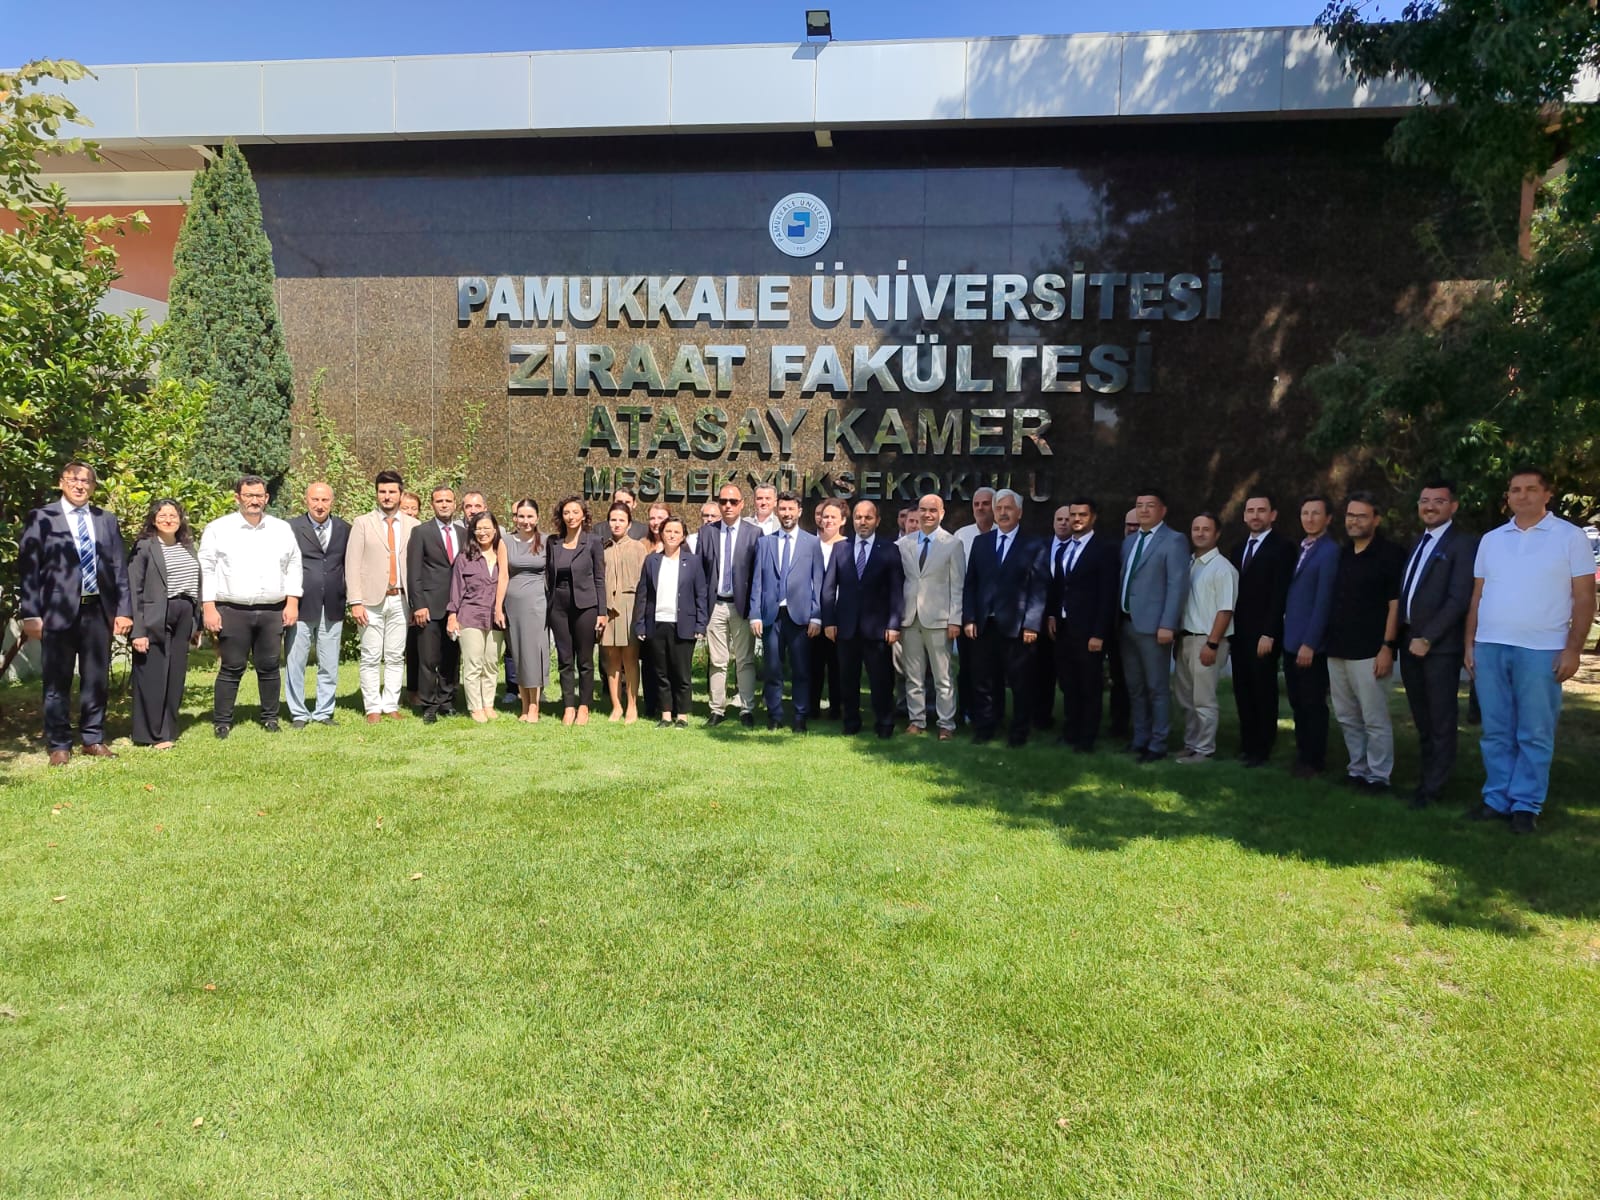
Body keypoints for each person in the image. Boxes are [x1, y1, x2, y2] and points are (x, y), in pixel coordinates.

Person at [1464, 467, 1596, 833]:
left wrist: (1573, 650)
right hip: (1490, 646)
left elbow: (1585, 598)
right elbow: (1477, 596)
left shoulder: (1570, 537)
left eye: (1531, 489)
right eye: (1515, 490)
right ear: (1507, 496)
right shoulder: (1491, 539)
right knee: (1495, 730)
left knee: (1534, 732)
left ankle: (1525, 804)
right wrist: (1469, 644)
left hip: (1543, 649)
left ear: (1547, 494)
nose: (1522, 495)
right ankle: (1496, 798)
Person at [16, 461, 133, 765]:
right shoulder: (42, 517)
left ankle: (93, 738)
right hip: (57, 612)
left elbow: (118, 567)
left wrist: (124, 610)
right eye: (74, 479)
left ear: (93, 487)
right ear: (61, 482)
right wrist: (30, 613)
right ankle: (59, 744)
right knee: (57, 681)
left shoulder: (106, 520)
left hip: (98, 611)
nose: (80, 485)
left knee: (96, 679)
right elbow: (29, 569)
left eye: (86, 481)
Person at [200, 474, 302, 738]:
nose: (254, 501)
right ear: (238, 498)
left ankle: (270, 718)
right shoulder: (218, 528)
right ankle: (222, 721)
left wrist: (292, 601)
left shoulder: (281, 529)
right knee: (232, 666)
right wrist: (208, 606)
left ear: (266, 498)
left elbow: (294, 564)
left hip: (272, 609)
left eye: (259, 496)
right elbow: (206, 569)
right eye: (249, 495)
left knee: (269, 666)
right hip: (233, 609)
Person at [1397, 479, 1477, 808]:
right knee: (1422, 719)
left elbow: (1459, 599)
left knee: (1441, 720)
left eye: (1439, 501)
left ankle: (1433, 789)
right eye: (1425, 501)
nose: (1430, 506)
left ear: (1453, 506)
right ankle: (1426, 777)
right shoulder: (1419, 541)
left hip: (1438, 648)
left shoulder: (1462, 544)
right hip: (1409, 644)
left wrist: (1428, 637)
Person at [1325, 492, 1404, 792]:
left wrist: (1387, 646)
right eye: (1350, 515)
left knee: (1374, 717)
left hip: (1371, 650)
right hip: (1337, 648)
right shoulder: (1343, 553)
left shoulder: (1390, 555)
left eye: (1361, 516)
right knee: (1346, 716)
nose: (1354, 521)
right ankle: (1357, 769)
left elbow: (1395, 606)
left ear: (1376, 519)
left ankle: (1379, 775)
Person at [961, 489, 1049, 746]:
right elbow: (971, 584)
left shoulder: (1033, 544)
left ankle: (1019, 732)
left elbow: (1039, 587)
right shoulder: (982, 543)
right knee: (983, 680)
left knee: (1020, 683)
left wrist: (1032, 623)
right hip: (984, 625)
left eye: (1008, 508)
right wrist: (969, 618)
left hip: (1017, 626)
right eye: (999, 508)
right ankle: (985, 728)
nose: (1002, 513)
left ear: (1019, 512)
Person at [1117, 488, 1190, 762]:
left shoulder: (1174, 541)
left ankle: (1158, 743)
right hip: (1127, 624)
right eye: (1139, 505)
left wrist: (1168, 624)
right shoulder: (1129, 542)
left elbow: (1177, 585)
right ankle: (1140, 738)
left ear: (1163, 510)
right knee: (1135, 687)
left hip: (1154, 627)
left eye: (1150, 505)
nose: (1144, 510)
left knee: (1156, 688)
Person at [823, 500, 905, 738]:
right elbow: (829, 589)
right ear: (853, 521)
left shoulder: (889, 549)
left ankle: (884, 724)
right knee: (847, 679)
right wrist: (829, 621)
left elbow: (896, 590)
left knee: (881, 680)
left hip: (877, 629)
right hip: (846, 627)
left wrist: (894, 624)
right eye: (858, 517)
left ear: (877, 521)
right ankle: (851, 723)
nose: (863, 522)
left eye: (868, 517)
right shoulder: (841, 548)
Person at [1045, 496, 1120, 753]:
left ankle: (1087, 738)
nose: (1076, 519)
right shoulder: (1064, 549)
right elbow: (1059, 588)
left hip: (1089, 631)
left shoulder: (1104, 550)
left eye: (1082, 515)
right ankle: (1070, 731)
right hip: (1064, 629)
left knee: (1089, 685)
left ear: (1093, 518)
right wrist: (1053, 615)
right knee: (1069, 684)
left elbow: (1107, 595)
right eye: (1073, 515)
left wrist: (1099, 633)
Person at [1226, 493, 1296, 768]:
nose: (1255, 515)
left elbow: (1280, 594)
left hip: (1264, 634)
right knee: (1242, 690)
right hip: (1239, 633)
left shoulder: (1283, 548)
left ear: (1273, 515)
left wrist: (1270, 633)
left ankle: (1262, 748)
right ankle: (1247, 744)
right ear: (1244, 516)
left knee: (1263, 691)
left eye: (1261, 510)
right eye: (1250, 510)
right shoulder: (1237, 548)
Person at [127, 499, 200, 749]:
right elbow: (134, 589)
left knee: (175, 674)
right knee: (153, 674)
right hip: (155, 616)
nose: (168, 520)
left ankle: (168, 730)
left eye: (173, 515)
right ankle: (150, 733)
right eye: (162, 515)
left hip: (184, 614)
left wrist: (196, 623)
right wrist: (138, 630)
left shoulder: (187, 545)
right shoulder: (145, 546)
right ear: (153, 519)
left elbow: (195, 584)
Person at [346, 471, 417, 724]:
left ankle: (390, 704)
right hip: (370, 601)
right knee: (371, 655)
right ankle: (372, 707)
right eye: (382, 492)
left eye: (392, 492)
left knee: (396, 655)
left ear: (400, 494)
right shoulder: (362, 523)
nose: (387, 496)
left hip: (401, 599)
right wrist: (355, 601)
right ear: (376, 494)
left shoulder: (413, 525)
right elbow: (352, 564)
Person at [750, 490, 824, 731]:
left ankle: (800, 715)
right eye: (782, 509)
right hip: (772, 616)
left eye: (791, 509)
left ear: (799, 512)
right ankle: (775, 715)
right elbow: (757, 581)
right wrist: (755, 614)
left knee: (801, 669)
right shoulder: (765, 542)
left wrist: (816, 616)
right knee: (772, 669)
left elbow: (818, 582)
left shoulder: (812, 543)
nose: (787, 513)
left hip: (800, 617)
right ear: (777, 511)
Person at [1281, 495, 1341, 778]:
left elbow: (1324, 601)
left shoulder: (1330, 552)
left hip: (1309, 645)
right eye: (1305, 513)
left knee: (1312, 704)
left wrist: (1310, 643)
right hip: (1291, 640)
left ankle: (1314, 760)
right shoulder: (1302, 548)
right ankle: (1302, 754)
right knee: (1297, 703)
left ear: (1328, 518)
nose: (1309, 518)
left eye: (1316, 513)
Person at [1173, 512, 1238, 764]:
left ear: (1217, 534)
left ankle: (1205, 749)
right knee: (1186, 698)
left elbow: (1225, 610)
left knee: (1203, 699)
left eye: (1206, 529)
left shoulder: (1223, 568)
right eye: (1196, 528)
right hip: (1186, 639)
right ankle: (1191, 744)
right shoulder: (1189, 564)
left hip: (1207, 641)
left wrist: (1212, 643)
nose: (1200, 533)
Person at [898, 494, 964, 741]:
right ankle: (917, 721)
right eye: (923, 510)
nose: (927, 514)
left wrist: (955, 619)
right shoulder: (904, 544)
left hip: (940, 619)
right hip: (909, 617)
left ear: (941, 513)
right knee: (913, 675)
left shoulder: (953, 544)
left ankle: (946, 724)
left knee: (943, 677)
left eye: (932, 510)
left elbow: (957, 585)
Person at [285, 482, 349, 729]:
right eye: (315, 500)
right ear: (306, 500)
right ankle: (299, 713)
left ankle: (324, 711)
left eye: (325, 500)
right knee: (296, 661)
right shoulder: (291, 528)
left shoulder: (344, 528)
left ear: (332, 501)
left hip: (333, 603)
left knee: (329, 662)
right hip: (300, 605)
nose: (320, 505)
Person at [698, 483, 762, 727]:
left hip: (741, 607)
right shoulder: (707, 532)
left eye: (733, 501)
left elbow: (757, 576)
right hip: (715, 605)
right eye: (723, 501)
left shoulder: (754, 533)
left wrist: (755, 610)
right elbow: (701, 573)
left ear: (742, 504)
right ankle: (717, 709)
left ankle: (747, 709)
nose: (727, 506)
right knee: (718, 660)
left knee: (745, 660)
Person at [635, 516, 708, 727]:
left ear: (683, 536)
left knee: (681, 672)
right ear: (661, 534)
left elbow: (700, 594)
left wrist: (701, 624)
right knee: (661, 672)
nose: (672, 535)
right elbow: (643, 594)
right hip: (657, 623)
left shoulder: (693, 562)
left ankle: (682, 715)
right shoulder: (652, 561)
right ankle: (666, 715)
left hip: (683, 624)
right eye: (668, 531)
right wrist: (640, 623)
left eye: (677, 532)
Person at [547, 495, 608, 725]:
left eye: (575, 512)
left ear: (583, 515)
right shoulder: (553, 542)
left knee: (584, 659)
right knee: (564, 659)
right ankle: (568, 706)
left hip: (585, 606)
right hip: (558, 607)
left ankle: (584, 706)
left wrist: (602, 611)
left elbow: (599, 578)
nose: (570, 517)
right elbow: (548, 576)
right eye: (566, 513)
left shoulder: (593, 542)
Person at [407, 486, 465, 723]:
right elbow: (414, 572)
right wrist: (418, 604)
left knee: (451, 656)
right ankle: (429, 704)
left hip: (456, 606)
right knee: (429, 659)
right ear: (432, 504)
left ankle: (446, 700)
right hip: (429, 606)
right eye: (439, 501)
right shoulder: (421, 532)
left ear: (455, 504)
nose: (444, 504)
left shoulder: (463, 533)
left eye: (448, 500)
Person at [446, 511, 506, 722]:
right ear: (472, 532)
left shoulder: (501, 556)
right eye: (478, 528)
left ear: (495, 530)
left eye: (486, 528)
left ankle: (488, 704)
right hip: (470, 615)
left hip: (495, 618)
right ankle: (475, 706)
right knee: (473, 663)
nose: (482, 532)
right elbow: (456, 589)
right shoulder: (465, 558)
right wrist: (452, 615)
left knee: (491, 662)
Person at [503, 498, 550, 723]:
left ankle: (534, 706)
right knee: (519, 653)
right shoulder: (505, 541)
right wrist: (498, 607)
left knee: (534, 653)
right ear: (515, 518)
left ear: (537, 517)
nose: (525, 521)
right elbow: (503, 575)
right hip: (513, 604)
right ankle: (523, 705)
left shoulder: (547, 541)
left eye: (530, 516)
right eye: (521, 516)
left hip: (537, 604)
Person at [601, 502, 648, 723]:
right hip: (609, 608)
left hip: (631, 605)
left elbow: (644, 583)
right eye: (613, 520)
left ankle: (632, 705)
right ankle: (616, 706)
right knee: (612, 659)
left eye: (621, 520)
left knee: (630, 659)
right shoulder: (603, 548)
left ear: (629, 524)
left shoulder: (638, 548)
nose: (617, 524)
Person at [954, 487, 996, 724]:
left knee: (992, 667)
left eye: (985, 503)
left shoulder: (1003, 533)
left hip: (995, 613)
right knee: (968, 665)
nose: (980, 508)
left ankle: (992, 713)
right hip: (967, 610)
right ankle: (967, 710)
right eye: (976, 504)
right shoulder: (962, 535)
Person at [807, 498, 848, 721]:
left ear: (843, 520)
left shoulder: (849, 546)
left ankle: (836, 708)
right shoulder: (811, 544)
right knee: (813, 663)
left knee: (837, 664)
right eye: (825, 516)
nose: (828, 520)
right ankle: (811, 707)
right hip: (813, 614)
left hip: (840, 614)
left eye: (833, 517)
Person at [399, 492, 422, 704]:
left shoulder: (422, 531)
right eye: (405, 507)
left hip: (416, 597)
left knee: (416, 646)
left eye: (414, 508)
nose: (410, 512)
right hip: (396, 593)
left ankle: (416, 690)